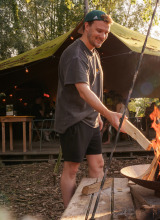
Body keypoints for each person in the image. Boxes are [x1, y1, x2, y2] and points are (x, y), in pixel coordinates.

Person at [54, 10, 124, 208]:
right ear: (86, 26)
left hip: (90, 119)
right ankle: (70, 211)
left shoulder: (93, 52)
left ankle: (96, 206)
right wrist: (108, 113)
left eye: (106, 33)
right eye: (99, 30)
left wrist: (98, 115)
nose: (102, 36)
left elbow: (95, 88)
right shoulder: (76, 54)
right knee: (72, 169)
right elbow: (83, 91)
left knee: (98, 164)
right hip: (74, 119)